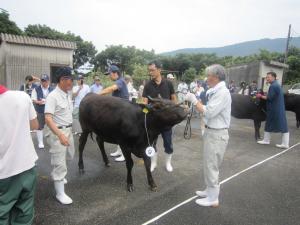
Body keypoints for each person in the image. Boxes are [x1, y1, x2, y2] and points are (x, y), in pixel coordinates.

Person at [185, 64, 231, 207]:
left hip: (217, 134)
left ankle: (213, 198)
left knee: (212, 165)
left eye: (209, 75)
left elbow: (209, 112)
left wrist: (194, 100)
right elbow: (207, 110)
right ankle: (209, 190)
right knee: (208, 163)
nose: (207, 78)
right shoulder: (216, 90)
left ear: (216, 77)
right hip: (212, 132)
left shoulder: (222, 92)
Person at [0, 84, 39, 224]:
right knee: (25, 212)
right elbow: (35, 125)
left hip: (3, 174)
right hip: (27, 166)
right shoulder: (22, 97)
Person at [44, 67, 75, 205]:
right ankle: (60, 193)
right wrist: (60, 135)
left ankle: (60, 175)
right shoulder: (53, 96)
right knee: (59, 163)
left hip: (68, 130)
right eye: (70, 79)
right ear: (62, 80)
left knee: (70, 155)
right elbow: (48, 119)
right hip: (57, 132)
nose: (72, 82)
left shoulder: (67, 94)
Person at [143, 60, 177, 172]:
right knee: (152, 143)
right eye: (149, 71)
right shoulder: (147, 85)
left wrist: (174, 115)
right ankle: (154, 163)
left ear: (159, 70)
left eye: (152, 70)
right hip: (153, 122)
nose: (150, 72)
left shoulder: (168, 83)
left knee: (168, 143)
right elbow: (144, 103)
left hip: (166, 121)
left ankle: (168, 163)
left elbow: (174, 101)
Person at [99, 65, 129, 162]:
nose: (109, 76)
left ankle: (125, 155)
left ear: (115, 73)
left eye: (109, 74)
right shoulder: (119, 81)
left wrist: (97, 95)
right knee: (118, 133)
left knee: (124, 134)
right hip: (119, 112)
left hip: (124, 112)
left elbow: (111, 89)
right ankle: (119, 151)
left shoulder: (120, 81)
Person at [257, 72, 289, 148]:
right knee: (272, 124)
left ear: (274, 77)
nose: (267, 79)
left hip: (275, 109)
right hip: (277, 108)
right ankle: (266, 140)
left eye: (268, 77)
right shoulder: (276, 85)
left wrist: (260, 96)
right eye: (266, 77)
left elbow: (269, 98)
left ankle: (284, 143)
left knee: (282, 126)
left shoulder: (274, 86)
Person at [31, 74, 54, 149]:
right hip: (40, 110)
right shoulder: (36, 89)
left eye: (45, 81)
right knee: (39, 126)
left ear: (48, 81)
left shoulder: (52, 89)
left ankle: (51, 141)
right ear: (41, 81)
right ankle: (40, 142)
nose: (44, 82)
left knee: (51, 126)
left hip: (50, 111)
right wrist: (38, 102)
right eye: (42, 81)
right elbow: (33, 99)